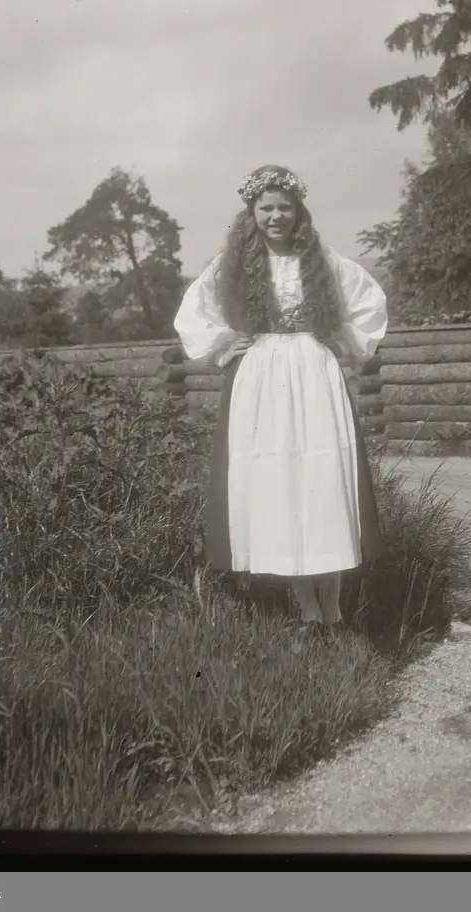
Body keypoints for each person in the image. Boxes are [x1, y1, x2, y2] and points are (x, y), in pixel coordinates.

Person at [174, 164, 388, 631]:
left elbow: (368, 301)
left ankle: (333, 607)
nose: (275, 217)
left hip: (314, 371)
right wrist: (223, 344)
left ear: (298, 211)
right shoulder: (231, 264)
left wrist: (342, 341)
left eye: (284, 208)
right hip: (261, 376)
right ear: (251, 212)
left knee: (322, 478)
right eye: (266, 208)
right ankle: (306, 608)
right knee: (278, 481)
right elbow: (194, 311)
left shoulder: (322, 259)